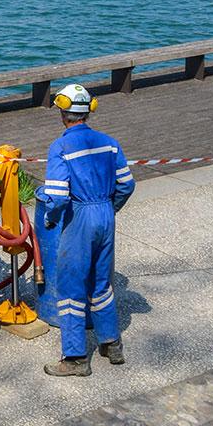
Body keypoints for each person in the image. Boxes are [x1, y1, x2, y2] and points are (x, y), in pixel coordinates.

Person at [40, 83, 135, 377]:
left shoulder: (61, 147)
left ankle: (75, 359)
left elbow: (56, 196)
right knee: (101, 284)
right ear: (87, 111)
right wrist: (110, 208)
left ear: (63, 114)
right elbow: (127, 184)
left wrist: (50, 220)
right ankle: (112, 344)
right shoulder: (109, 143)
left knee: (70, 288)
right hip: (106, 214)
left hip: (79, 217)